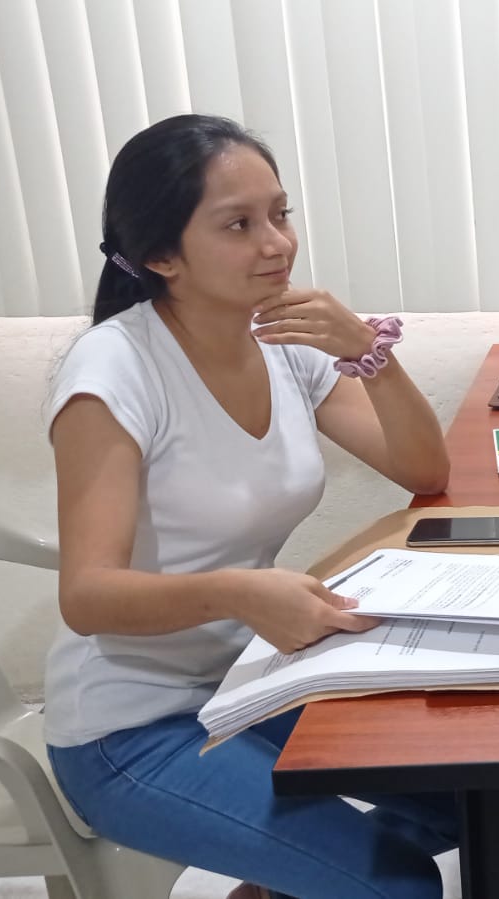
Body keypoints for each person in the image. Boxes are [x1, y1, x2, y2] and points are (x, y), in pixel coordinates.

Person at [44, 114, 457, 899]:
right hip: (128, 728)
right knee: (398, 887)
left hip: (246, 683)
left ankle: (291, 878)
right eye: (239, 224)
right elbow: (87, 595)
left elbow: (421, 467)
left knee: (479, 790)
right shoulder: (112, 371)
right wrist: (240, 591)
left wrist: (366, 351)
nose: (277, 244)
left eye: (280, 213)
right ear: (162, 255)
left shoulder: (281, 338)